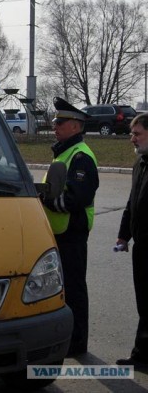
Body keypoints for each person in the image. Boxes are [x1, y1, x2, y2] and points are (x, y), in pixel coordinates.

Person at [41, 97, 99, 358]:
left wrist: (48, 202)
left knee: (74, 289)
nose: (55, 126)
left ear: (76, 126)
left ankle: (77, 344)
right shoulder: (64, 151)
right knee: (62, 288)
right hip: (59, 232)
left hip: (72, 232)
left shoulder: (81, 156)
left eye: (60, 122)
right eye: (55, 122)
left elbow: (78, 198)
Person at [115, 113, 148, 368]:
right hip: (141, 247)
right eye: (131, 133)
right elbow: (131, 201)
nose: (132, 139)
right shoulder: (140, 164)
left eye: (137, 134)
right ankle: (142, 355)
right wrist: (123, 235)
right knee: (144, 303)